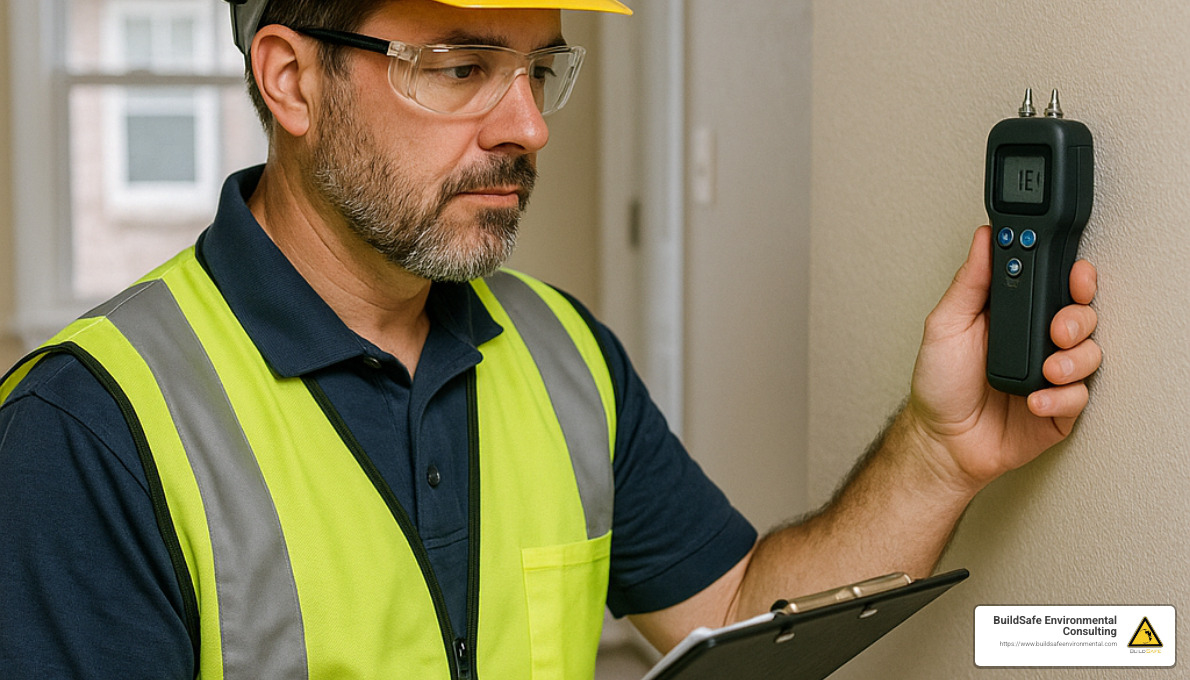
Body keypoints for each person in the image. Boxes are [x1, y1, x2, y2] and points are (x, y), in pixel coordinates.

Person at [0, 0, 1102, 677]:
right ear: (291, 78)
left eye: (539, 70)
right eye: (460, 68)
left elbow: (732, 614)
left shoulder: (562, 355)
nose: (526, 126)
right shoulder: (88, 428)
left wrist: (937, 450)